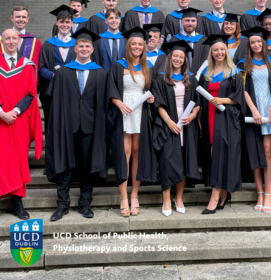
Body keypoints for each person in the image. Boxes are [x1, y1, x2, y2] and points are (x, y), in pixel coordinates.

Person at [46, 28, 107, 221]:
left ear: (92, 49)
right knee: (64, 166)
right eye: (81, 46)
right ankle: (62, 205)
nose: (84, 49)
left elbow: (104, 103)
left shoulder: (100, 73)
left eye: (87, 46)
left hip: (90, 127)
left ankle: (85, 203)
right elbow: (54, 101)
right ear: (75, 48)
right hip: (67, 126)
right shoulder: (63, 72)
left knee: (87, 167)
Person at [107, 26, 156, 217]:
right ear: (128, 46)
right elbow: (110, 88)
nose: (137, 47)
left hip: (141, 112)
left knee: (137, 152)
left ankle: (135, 194)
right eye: (134, 44)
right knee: (124, 153)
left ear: (144, 47)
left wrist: (151, 98)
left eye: (140, 44)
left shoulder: (148, 67)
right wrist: (118, 103)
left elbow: (152, 90)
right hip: (124, 111)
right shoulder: (118, 65)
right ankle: (123, 197)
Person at [152, 41, 200, 216]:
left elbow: (198, 102)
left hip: (187, 126)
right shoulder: (160, 78)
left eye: (181, 56)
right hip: (169, 125)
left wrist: (193, 115)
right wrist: (168, 121)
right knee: (167, 161)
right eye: (175, 56)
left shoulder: (192, 78)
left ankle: (178, 197)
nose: (178, 59)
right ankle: (166, 197)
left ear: (185, 59)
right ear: (169, 57)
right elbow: (158, 102)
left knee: (184, 160)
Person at [238, 26, 271, 213]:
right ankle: (259, 192)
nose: (256, 44)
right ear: (249, 45)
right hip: (253, 111)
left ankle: (268, 193)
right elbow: (243, 90)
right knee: (255, 151)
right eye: (252, 42)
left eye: (258, 41)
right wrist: (253, 110)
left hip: (270, 111)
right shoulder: (243, 64)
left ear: (263, 43)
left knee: (267, 150)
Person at [197, 34, 245, 214]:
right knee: (213, 155)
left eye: (222, 49)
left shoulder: (234, 73)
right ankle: (224, 193)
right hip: (209, 118)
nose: (219, 52)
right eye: (215, 50)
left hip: (226, 119)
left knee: (222, 155)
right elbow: (200, 99)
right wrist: (200, 120)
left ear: (226, 51)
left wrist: (222, 100)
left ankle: (215, 196)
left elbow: (239, 99)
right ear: (211, 52)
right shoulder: (206, 74)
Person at [0, 29, 43, 219]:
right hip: (0, 119)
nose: (10, 41)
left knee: (18, 159)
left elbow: (31, 94)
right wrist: (1, 113)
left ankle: (17, 202)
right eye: (7, 38)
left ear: (19, 41)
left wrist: (14, 112)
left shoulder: (27, 65)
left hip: (18, 119)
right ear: (2, 41)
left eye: (14, 38)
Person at [39, 5, 78, 139]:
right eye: (61, 21)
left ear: (72, 23)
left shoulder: (78, 45)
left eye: (67, 22)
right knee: (53, 123)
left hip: (74, 90)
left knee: (72, 123)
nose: (64, 25)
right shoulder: (48, 44)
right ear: (57, 23)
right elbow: (41, 68)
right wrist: (53, 75)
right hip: (53, 90)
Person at [2, 6, 43, 73]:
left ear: (27, 19)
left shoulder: (35, 41)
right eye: (18, 17)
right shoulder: (2, 39)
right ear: (12, 18)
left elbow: (37, 66)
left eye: (24, 17)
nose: (21, 20)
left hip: (26, 80)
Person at [170, 8, 208, 73]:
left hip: (199, 78)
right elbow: (170, 61)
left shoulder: (204, 40)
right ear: (182, 22)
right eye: (187, 20)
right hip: (179, 78)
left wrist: (198, 77)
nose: (190, 23)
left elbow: (206, 60)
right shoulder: (174, 40)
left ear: (196, 23)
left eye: (193, 21)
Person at [93, 8, 126, 73]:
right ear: (106, 21)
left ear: (119, 20)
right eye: (111, 18)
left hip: (122, 76)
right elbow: (96, 60)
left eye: (116, 18)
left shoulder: (126, 39)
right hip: (103, 77)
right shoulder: (98, 40)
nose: (114, 20)